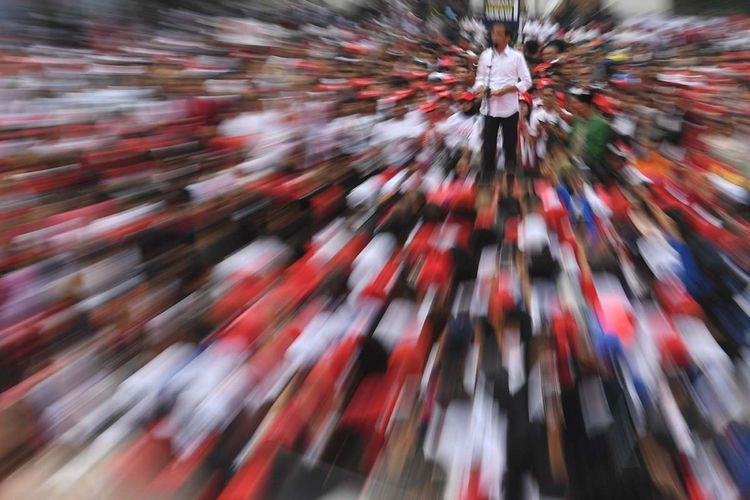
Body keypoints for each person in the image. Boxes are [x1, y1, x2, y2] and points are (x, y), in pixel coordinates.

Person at [473, 22, 532, 187]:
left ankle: (510, 175)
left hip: (509, 109)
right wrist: (480, 88)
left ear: (508, 37)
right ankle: (488, 175)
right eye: (493, 33)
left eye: (499, 34)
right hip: (489, 108)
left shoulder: (517, 57)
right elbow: (480, 78)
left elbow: (527, 82)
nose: (494, 37)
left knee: (509, 144)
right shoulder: (486, 55)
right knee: (489, 145)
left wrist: (509, 89)